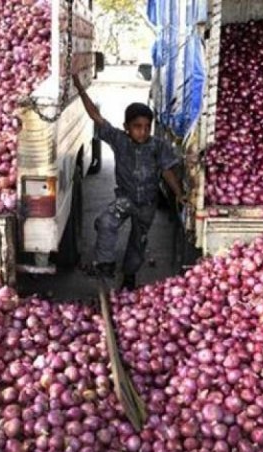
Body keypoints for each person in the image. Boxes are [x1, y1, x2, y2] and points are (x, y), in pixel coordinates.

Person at [72, 74, 185, 290]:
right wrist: (80, 88)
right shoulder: (119, 140)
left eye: (147, 127)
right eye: (137, 126)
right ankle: (105, 263)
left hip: (147, 205)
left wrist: (178, 192)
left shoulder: (157, 146)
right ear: (126, 126)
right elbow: (96, 116)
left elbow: (168, 171)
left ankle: (129, 276)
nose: (143, 132)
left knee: (138, 241)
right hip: (125, 199)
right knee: (106, 222)